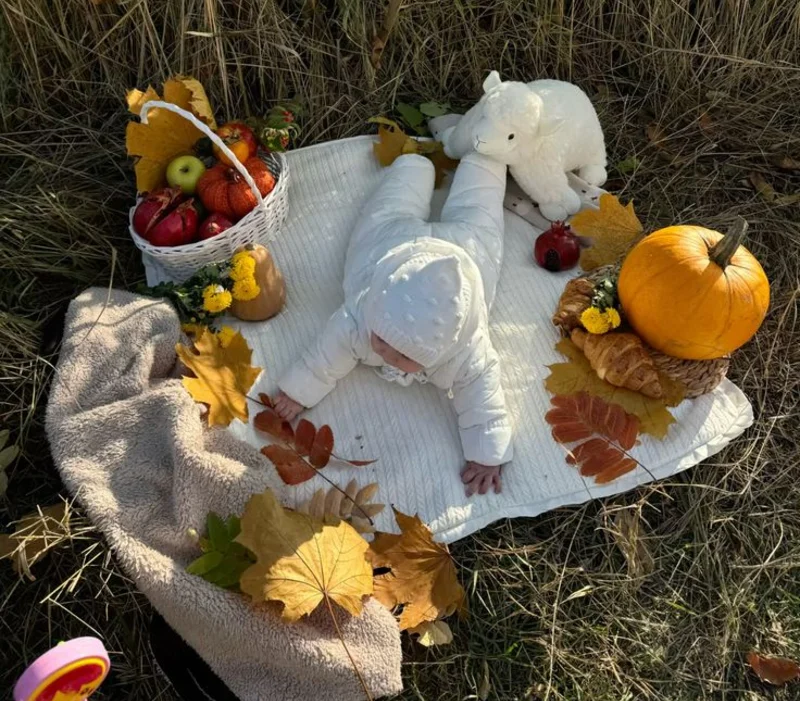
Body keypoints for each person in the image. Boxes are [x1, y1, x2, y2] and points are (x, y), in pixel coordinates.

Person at [274, 152, 513, 496]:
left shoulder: (468, 350)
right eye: (381, 340)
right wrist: (299, 391)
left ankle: (486, 162)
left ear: (440, 353)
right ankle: (414, 166)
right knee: (384, 212)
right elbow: (327, 353)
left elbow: (485, 399)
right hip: (392, 241)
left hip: (467, 249)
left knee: (483, 221)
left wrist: (487, 454)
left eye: (401, 355)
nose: (382, 352)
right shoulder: (365, 312)